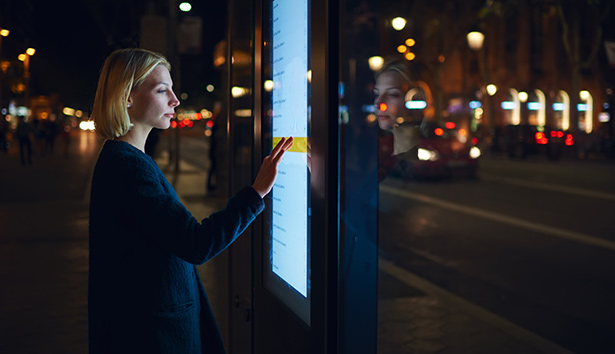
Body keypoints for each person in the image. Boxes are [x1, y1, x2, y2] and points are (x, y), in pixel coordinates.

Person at [88, 48, 293, 353]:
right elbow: (196, 242)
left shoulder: (126, 159)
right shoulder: (129, 166)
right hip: (153, 335)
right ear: (127, 97)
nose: (175, 100)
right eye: (162, 90)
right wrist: (256, 192)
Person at [373, 60, 425, 181]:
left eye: (392, 94)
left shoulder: (416, 168)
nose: (378, 103)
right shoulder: (382, 160)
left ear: (415, 99)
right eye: (377, 94)